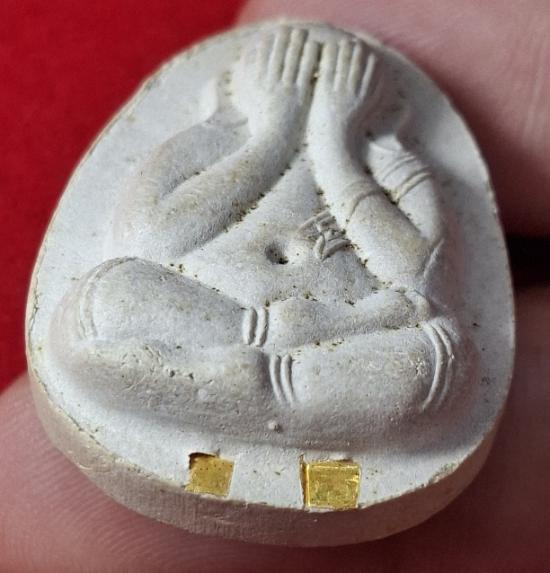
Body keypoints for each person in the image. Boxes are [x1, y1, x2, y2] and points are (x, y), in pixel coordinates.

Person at [2, 1, 550, 570]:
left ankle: (217, 386)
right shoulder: (218, 134)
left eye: (333, 87)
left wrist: (336, 145)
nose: (311, 91)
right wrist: (273, 134)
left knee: (439, 360)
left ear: (380, 107)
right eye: (292, 78)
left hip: (337, 345)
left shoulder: (391, 161)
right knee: (99, 300)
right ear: (240, 86)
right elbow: (151, 237)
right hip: (229, 323)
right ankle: (260, 381)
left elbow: (419, 274)